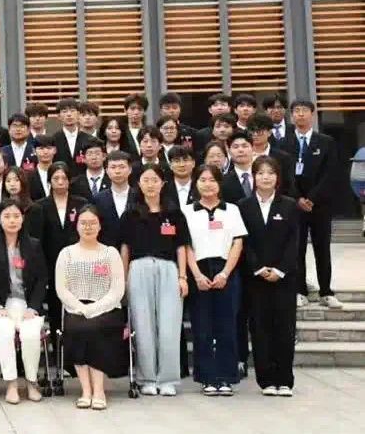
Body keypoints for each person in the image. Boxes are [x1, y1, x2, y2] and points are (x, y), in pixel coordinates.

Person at [120, 164, 190, 397]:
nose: (150, 184)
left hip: (168, 269)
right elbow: (125, 248)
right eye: (146, 180)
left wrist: (182, 276)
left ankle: (168, 379)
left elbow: (181, 247)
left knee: (170, 325)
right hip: (138, 269)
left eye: (154, 180)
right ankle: (147, 378)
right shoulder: (130, 214)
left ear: (163, 183)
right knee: (142, 326)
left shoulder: (174, 214)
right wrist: (124, 278)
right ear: (138, 184)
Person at [182, 165, 247, 396]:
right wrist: (196, 275)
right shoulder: (187, 211)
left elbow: (237, 243)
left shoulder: (232, 210)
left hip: (226, 270)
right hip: (198, 270)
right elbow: (186, 245)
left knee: (227, 326)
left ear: (220, 184)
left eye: (212, 180)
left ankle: (226, 377)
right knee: (202, 327)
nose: (207, 184)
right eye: (202, 180)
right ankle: (207, 377)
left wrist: (225, 273)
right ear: (195, 183)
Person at [237, 156, 299, 397]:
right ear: (254, 177)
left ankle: (285, 380)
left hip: (284, 278)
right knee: (260, 328)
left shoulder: (289, 205)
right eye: (260, 173)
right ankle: (266, 380)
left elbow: (294, 242)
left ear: (277, 177)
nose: (265, 177)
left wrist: (280, 270)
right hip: (255, 278)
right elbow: (244, 242)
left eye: (270, 173)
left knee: (285, 328)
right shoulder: (243, 206)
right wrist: (258, 268)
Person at [55, 206, 127, 410]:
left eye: (92, 223)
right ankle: (86, 390)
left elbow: (117, 290)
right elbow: (62, 289)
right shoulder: (67, 253)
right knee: (77, 328)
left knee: (95, 329)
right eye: (83, 223)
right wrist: (80, 307)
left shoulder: (110, 253)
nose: (88, 227)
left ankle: (99, 391)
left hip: (107, 309)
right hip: (76, 308)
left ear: (100, 225)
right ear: (76, 225)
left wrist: (95, 308)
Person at [0, 199, 48, 404]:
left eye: (16, 216)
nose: (12, 220)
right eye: (7, 216)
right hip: (1, 306)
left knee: (30, 333)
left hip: (27, 305)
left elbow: (42, 279)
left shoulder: (33, 245)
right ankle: (11, 383)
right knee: (5, 330)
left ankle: (31, 382)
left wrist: (33, 307)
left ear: (23, 219)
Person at [281, 99, 343, 309]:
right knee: (296, 249)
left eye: (304, 111)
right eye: (296, 111)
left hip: (320, 205)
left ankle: (326, 291)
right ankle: (300, 290)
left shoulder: (326, 141)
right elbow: (285, 175)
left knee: (322, 248)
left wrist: (312, 198)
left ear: (313, 114)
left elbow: (331, 173)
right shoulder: (284, 143)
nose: (300, 114)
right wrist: (298, 198)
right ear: (291, 116)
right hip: (293, 204)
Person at [35, 162, 87, 335]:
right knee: (55, 306)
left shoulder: (80, 203)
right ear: (49, 181)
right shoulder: (40, 206)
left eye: (64, 178)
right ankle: (57, 344)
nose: (60, 182)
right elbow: (38, 239)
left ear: (69, 180)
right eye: (55, 178)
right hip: (51, 263)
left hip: (77, 261)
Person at [92, 151, 136, 249]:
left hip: (134, 251)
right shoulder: (98, 199)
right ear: (106, 170)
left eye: (122, 167)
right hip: (105, 251)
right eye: (113, 167)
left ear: (130, 169)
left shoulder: (139, 197)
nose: (117, 171)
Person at [52, 97, 92, 175]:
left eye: (72, 111)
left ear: (78, 114)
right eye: (64, 111)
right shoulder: (53, 140)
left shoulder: (89, 140)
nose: (69, 114)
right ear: (59, 116)